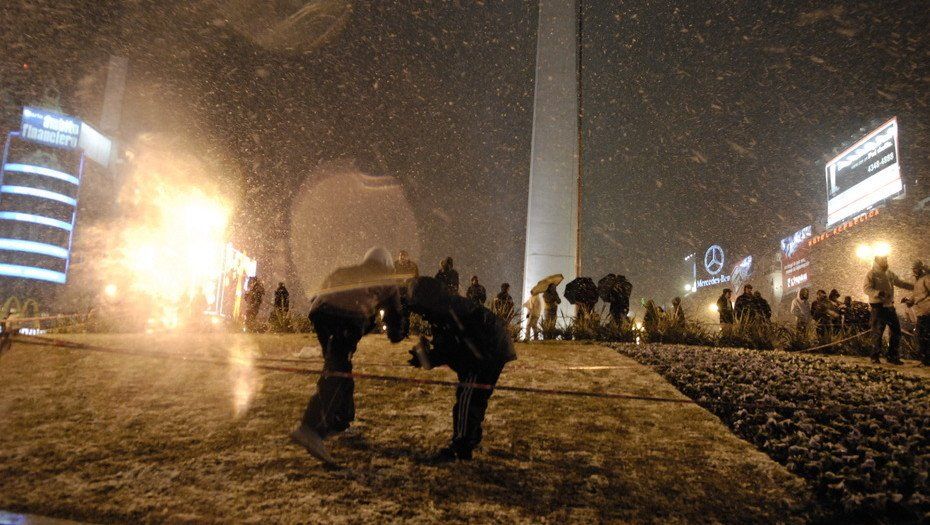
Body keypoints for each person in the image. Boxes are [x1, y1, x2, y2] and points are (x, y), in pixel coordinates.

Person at [290, 247, 405, 464]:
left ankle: (341, 420)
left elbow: (318, 294)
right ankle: (311, 427)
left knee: (337, 366)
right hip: (346, 317)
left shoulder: (345, 270)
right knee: (338, 370)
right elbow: (395, 315)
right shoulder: (387, 280)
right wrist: (396, 335)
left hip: (321, 313)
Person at [406, 276, 517, 461]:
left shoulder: (447, 311)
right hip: (488, 348)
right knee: (473, 396)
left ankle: (461, 445)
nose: (421, 315)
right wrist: (426, 357)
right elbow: (449, 346)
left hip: (486, 351)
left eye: (420, 309)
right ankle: (470, 437)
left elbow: (451, 348)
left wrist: (426, 358)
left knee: (468, 396)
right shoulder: (444, 308)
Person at [863, 255, 914, 364]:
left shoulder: (889, 273)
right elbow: (866, 288)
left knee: (896, 331)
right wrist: (877, 293)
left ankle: (892, 356)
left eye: (886, 260)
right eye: (884, 260)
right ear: (877, 261)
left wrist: (915, 287)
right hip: (878, 307)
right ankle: (875, 356)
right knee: (878, 332)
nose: (886, 261)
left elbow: (900, 283)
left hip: (889, 306)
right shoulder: (871, 274)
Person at [903, 261, 930, 366]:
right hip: (921, 312)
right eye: (913, 268)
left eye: (916, 268)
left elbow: (921, 295)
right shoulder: (918, 281)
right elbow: (915, 297)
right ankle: (925, 360)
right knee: (921, 336)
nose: (914, 270)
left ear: (921, 268)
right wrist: (908, 301)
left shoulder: (926, 278)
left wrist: (919, 299)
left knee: (924, 336)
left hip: (927, 311)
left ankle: (926, 360)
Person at [395, 250, 420, 337]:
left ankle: (405, 332)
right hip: (397, 292)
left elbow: (417, 278)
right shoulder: (395, 265)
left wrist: (409, 281)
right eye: (400, 256)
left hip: (407, 293)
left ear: (407, 257)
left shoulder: (412, 266)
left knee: (406, 313)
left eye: (404, 256)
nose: (402, 257)